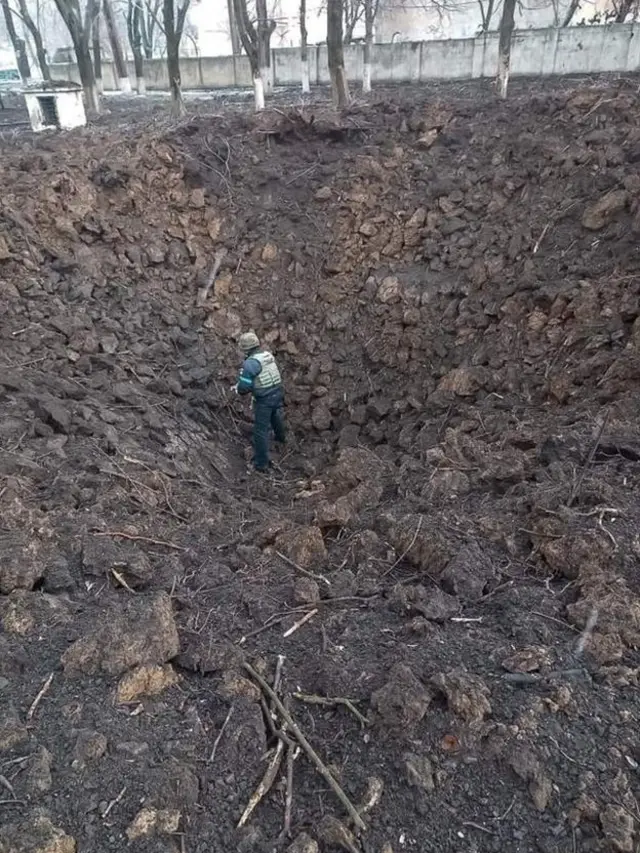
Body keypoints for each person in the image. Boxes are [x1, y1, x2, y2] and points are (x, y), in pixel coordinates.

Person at [233, 331, 285, 472]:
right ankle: (281, 439)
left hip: (264, 399)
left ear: (245, 349)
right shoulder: (267, 355)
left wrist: (238, 388)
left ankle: (261, 464)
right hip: (277, 392)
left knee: (260, 430)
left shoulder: (250, 363)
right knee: (275, 416)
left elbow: (244, 387)